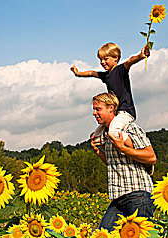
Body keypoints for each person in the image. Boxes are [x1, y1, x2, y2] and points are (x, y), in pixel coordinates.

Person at [90, 93, 156, 230]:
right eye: (94, 109)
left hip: (138, 194)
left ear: (111, 108)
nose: (94, 113)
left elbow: (151, 157)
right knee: (103, 234)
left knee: (143, 234)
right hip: (118, 196)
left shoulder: (129, 128)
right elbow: (112, 164)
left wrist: (123, 148)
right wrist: (98, 151)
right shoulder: (105, 134)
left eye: (98, 109)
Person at [71, 42, 150, 143]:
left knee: (113, 132)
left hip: (126, 111)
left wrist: (140, 56)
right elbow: (92, 73)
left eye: (105, 59)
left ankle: (131, 145)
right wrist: (78, 74)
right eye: (100, 60)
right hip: (115, 113)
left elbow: (130, 61)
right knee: (96, 136)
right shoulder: (106, 76)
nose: (102, 62)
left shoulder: (121, 70)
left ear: (115, 58)